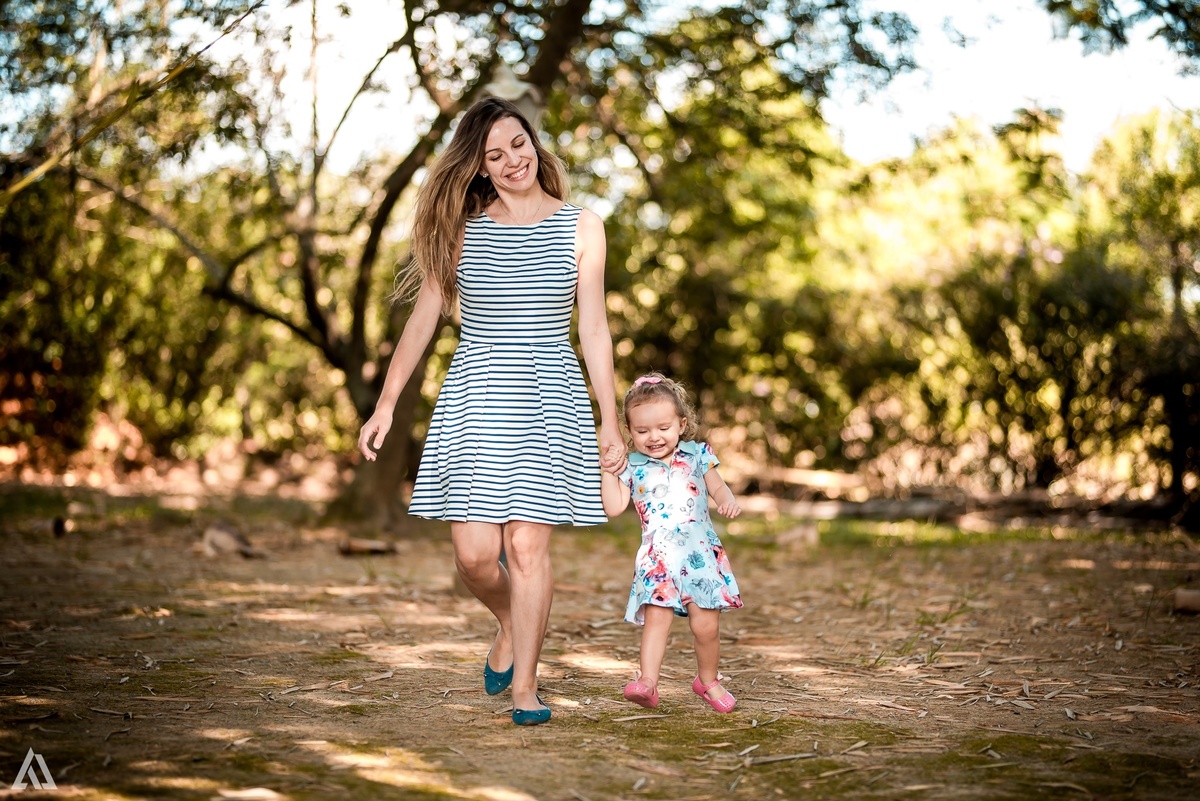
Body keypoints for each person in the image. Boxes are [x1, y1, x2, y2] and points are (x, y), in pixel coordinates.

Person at [357, 97, 627, 726]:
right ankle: (509, 618)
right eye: (494, 154)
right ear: (478, 168)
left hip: (548, 397)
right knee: (476, 557)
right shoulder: (463, 230)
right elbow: (423, 321)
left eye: (519, 144)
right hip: (475, 397)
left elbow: (593, 330)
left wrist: (608, 421)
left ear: (536, 141)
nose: (512, 161)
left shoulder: (583, 226)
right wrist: (387, 403)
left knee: (528, 546)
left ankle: (526, 687)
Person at [600, 373, 743, 712]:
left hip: (700, 555)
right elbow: (614, 506)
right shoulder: (631, 465)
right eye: (642, 431)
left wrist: (727, 499)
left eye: (663, 428)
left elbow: (718, 486)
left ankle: (707, 681)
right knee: (657, 619)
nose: (654, 437)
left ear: (681, 423)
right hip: (658, 557)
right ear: (629, 431)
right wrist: (608, 470)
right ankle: (648, 681)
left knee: (705, 626)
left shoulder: (697, 455)